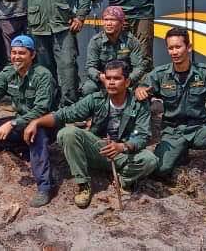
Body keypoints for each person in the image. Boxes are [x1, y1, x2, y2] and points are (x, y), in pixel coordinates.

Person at [24, 60, 158, 208]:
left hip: (122, 153)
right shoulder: (96, 99)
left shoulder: (139, 103)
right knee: (67, 133)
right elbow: (64, 115)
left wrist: (122, 146)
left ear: (127, 82)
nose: (111, 82)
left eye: (117, 78)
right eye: (108, 78)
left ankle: (123, 180)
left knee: (149, 159)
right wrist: (36, 122)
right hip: (97, 149)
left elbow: (142, 135)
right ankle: (84, 185)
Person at [137, 27, 206, 211]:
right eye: (170, 48)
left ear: (188, 47)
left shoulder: (203, 72)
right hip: (173, 132)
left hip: (198, 128)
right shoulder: (160, 74)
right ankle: (179, 154)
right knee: (161, 170)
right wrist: (140, 90)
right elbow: (142, 89)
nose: (174, 52)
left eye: (178, 47)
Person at [0, 35, 59, 207]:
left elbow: (41, 109)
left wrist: (12, 123)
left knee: (35, 135)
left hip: (44, 123)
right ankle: (21, 146)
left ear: (32, 55)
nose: (16, 57)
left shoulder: (43, 75)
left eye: (22, 53)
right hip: (21, 121)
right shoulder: (8, 72)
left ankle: (44, 187)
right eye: (13, 53)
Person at [82, 6, 150, 96]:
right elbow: (90, 67)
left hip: (126, 81)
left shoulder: (131, 41)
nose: (108, 23)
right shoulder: (96, 41)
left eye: (113, 20)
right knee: (88, 88)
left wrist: (127, 80)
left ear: (121, 23)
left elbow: (138, 67)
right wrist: (102, 77)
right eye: (106, 20)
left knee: (142, 90)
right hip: (103, 80)